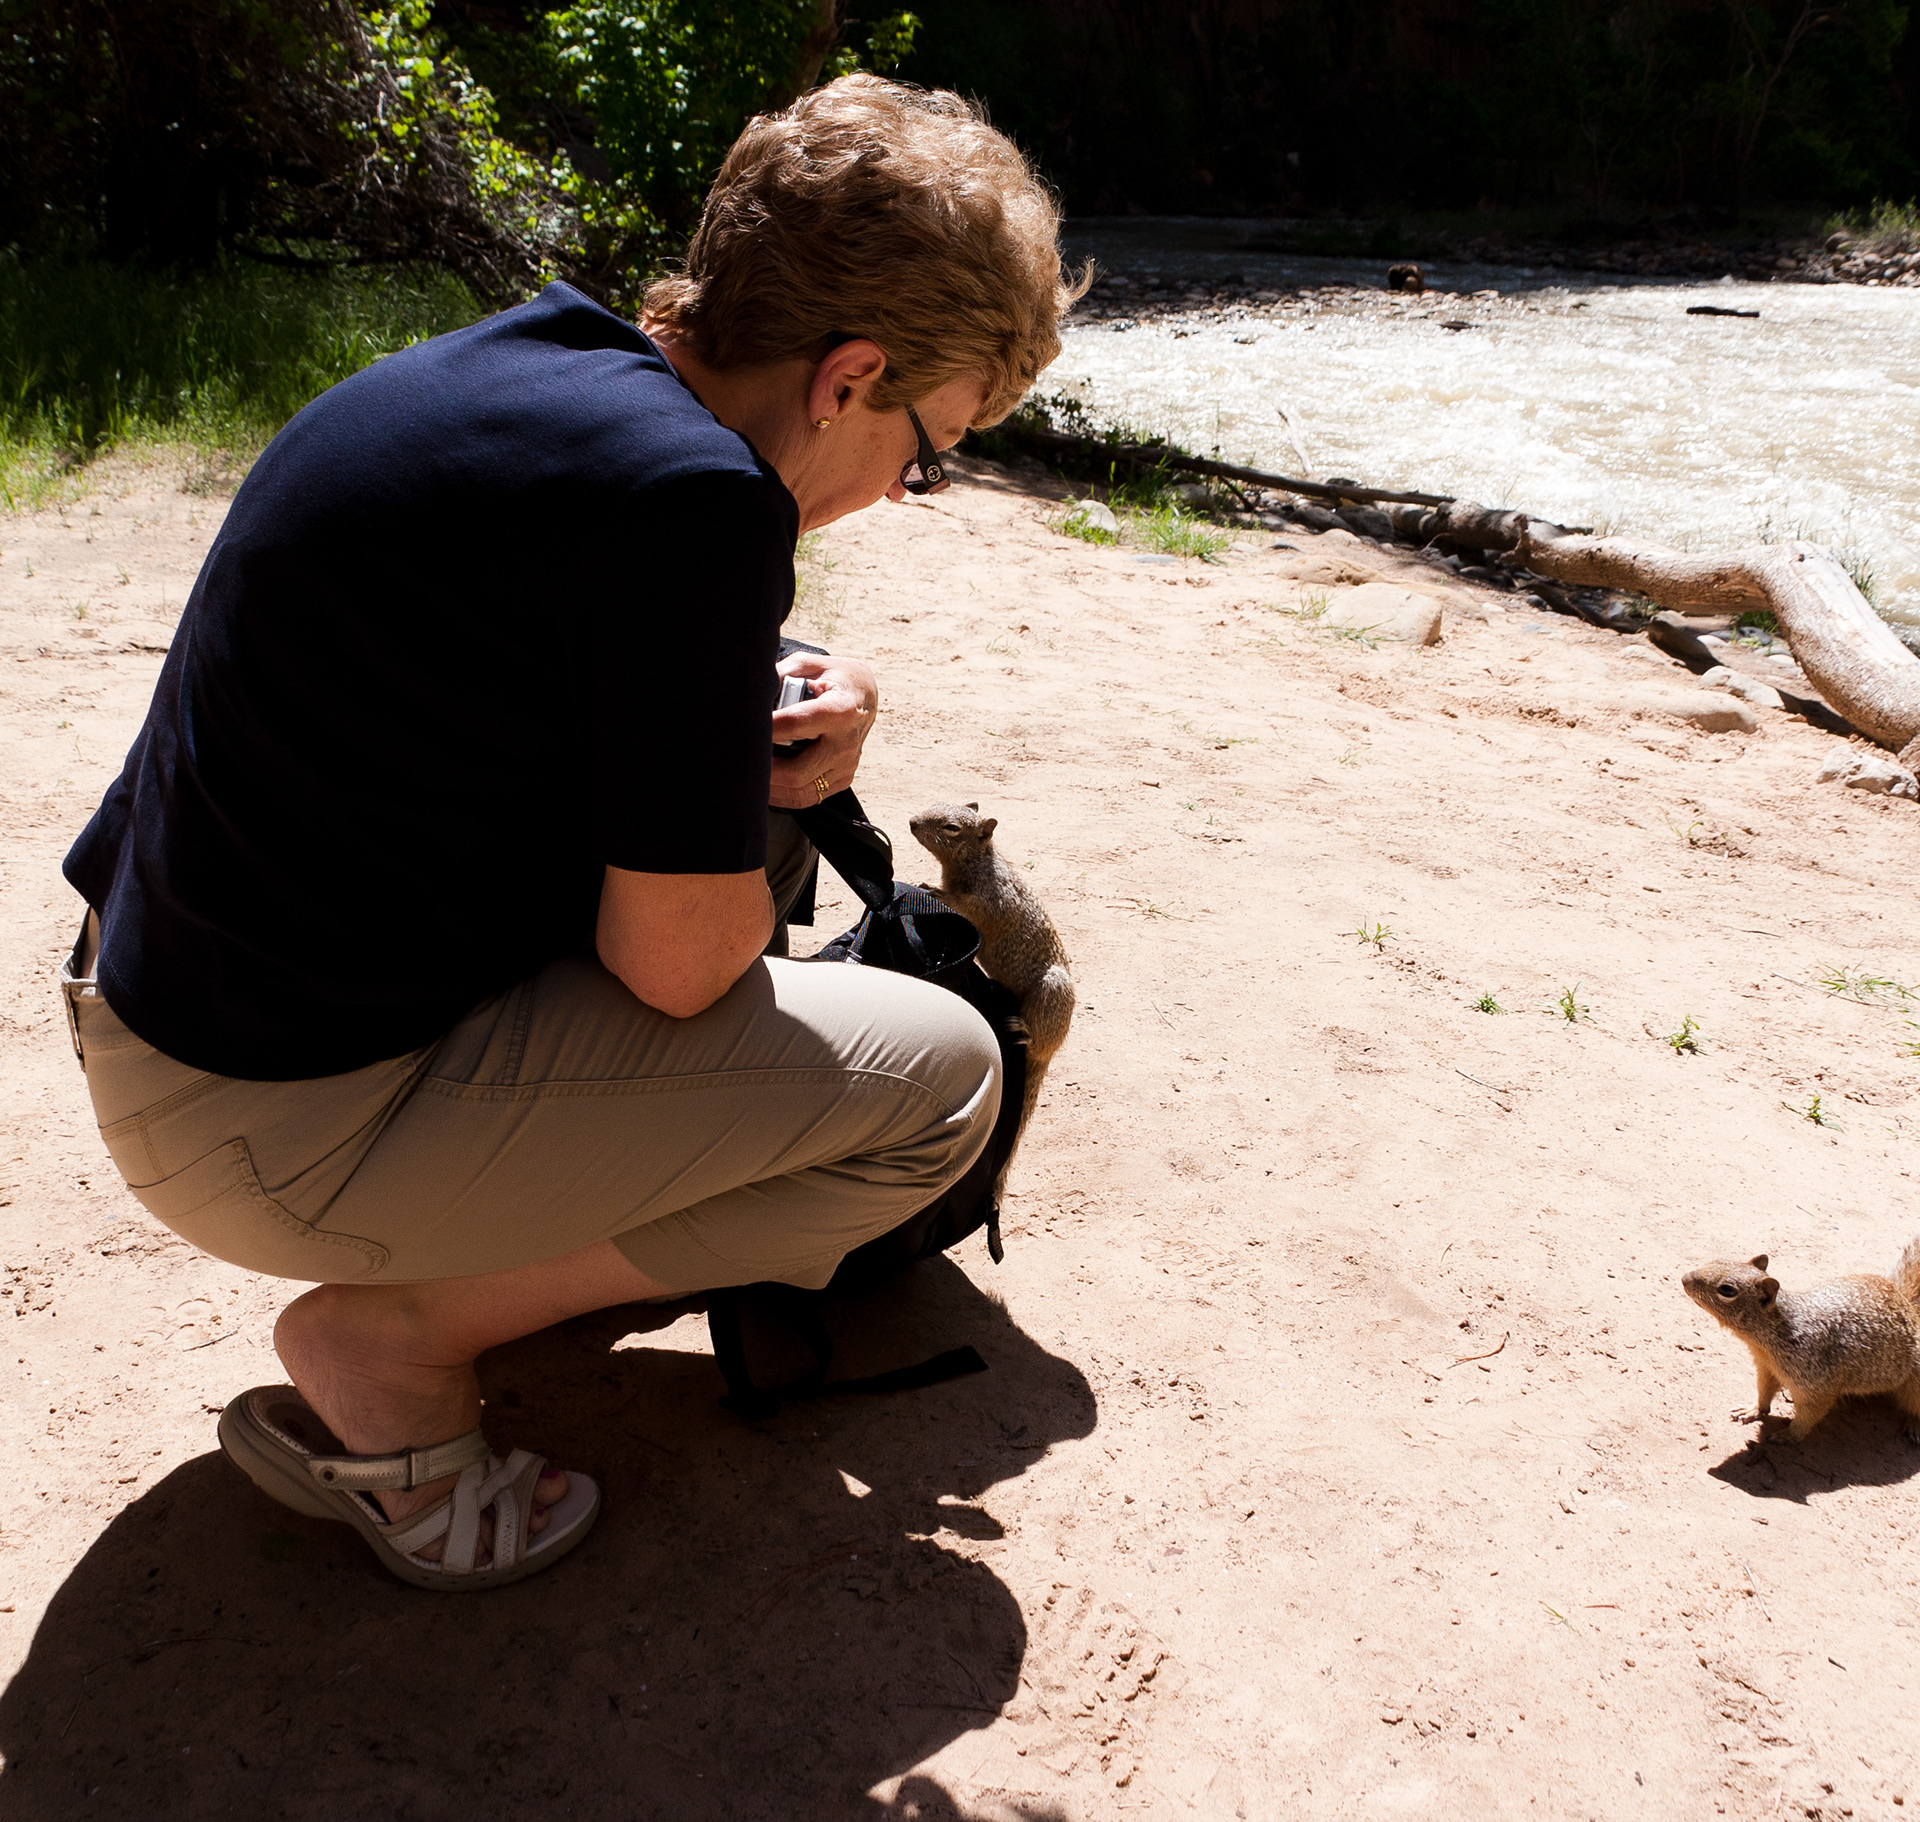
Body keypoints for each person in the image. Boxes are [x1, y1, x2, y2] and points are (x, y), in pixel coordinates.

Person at [58, 75, 1085, 1589]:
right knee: (943, 1080)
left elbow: (530, 658)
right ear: (851, 376)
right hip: (261, 1129)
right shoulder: (697, 506)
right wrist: (747, 805)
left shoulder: (535, 368)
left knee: (752, 861)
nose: (901, 488)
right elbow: (679, 970)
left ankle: (503, 1215)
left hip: (163, 1004)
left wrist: (769, 715)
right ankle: (394, 1347)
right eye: (926, 450)